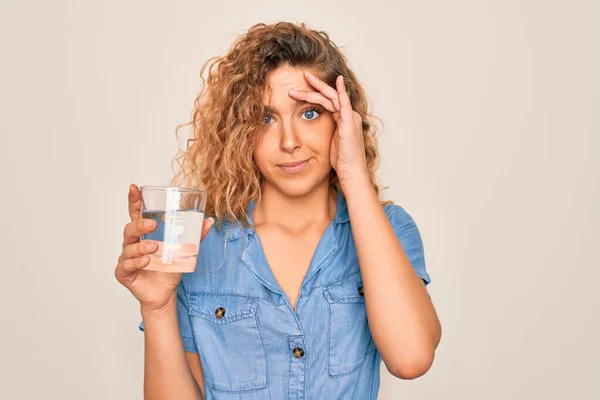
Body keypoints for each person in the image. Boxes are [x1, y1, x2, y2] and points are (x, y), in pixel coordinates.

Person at [115, 21, 441, 400]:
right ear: (240, 132)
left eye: (309, 114)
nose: (289, 142)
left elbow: (412, 358)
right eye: (265, 119)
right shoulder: (199, 244)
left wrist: (353, 175)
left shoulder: (389, 230)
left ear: (343, 120)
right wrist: (158, 307)